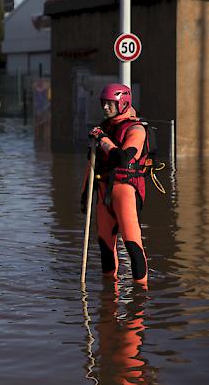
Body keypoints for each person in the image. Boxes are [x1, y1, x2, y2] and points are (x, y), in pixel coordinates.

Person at [82, 83, 150, 286]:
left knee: (132, 244)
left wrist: (102, 139)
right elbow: (92, 164)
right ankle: (109, 296)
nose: (105, 107)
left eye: (110, 104)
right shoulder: (103, 128)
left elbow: (123, 158)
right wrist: (86, 194)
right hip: (104, 193)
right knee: (105, 245)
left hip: (126, 192)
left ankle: (141, 294)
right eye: (103, 103)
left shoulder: (136, 129)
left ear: (123, 102)